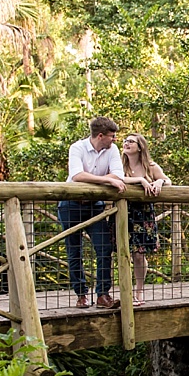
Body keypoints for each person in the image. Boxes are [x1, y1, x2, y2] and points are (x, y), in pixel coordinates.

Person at [58, 116, 126, 309]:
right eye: (112, 136)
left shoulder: (112, 149)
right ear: (101, 135)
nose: (115, 140)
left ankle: (103, 294)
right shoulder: (77, 148)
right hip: (71, 204)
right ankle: (81, 294)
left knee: (104, 247)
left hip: (95, 205)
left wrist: (106, 179)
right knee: (74, 251)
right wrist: (108, 180)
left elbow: (118, 174)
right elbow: (77, 175)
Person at [119, 133, 172, 305]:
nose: (126, 144)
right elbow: (115, 178)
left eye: (131, 141)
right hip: (121, 213)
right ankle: (124, 291)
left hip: (143, 215)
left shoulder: (151, 166)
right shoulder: (119, 165)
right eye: (125, 141)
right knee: (123, 254)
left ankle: (139, 290)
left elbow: (167, 180)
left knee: (139, 255)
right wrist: (140, 180)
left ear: (140, 146)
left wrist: (159, 183)